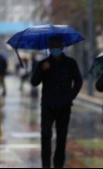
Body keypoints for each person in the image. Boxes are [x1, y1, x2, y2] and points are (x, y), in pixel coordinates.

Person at [31, 36, 83, 168]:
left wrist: (70, 96)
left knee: (61, 138)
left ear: (62, 47)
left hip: (64, 106)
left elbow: (78, 81)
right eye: (52, 47)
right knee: (45, 136)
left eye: (57, 46)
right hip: (48, 106)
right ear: (49, 48)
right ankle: (46, 165)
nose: (55, 49)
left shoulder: (70, 63)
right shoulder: (43, 63)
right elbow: (34, 82)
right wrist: (42, 69)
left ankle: (58, 165)